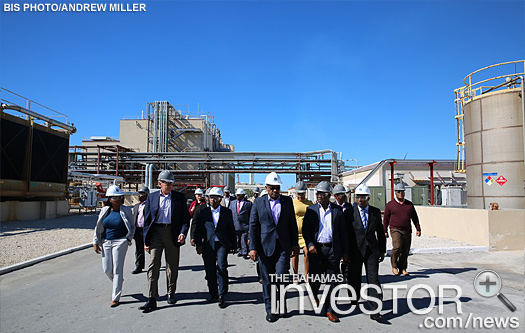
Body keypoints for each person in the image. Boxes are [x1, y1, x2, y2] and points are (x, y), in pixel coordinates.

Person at [249, 172, 299, 323]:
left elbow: (292, 224)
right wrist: (253, 247)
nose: (275, 191)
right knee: (267, 280)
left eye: (277, 188)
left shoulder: (287, 202)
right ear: (266, 187)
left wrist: (295, 244)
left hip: (283, 246)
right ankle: (270, 309)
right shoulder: (258, 203)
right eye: (272, 188)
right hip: (265, 247)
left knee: (281, 277)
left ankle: (282, 305)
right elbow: (253, 225)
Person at [139, 170, 191, 312]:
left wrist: (183, 233)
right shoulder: (152, 197)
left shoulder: (179, 198)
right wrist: (146, 240)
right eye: (166, 183)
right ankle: (151, 298)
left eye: (171, 184)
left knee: (172, 265)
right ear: (159, 183)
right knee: (153, 264)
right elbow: (147, 220)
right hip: (156, 233)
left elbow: (186, 219)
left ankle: (170, 293)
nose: (168, 186)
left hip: (172, 233)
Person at [302, 181, 349, 323]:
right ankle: (315, 295)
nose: (319, 196)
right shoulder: (311, 210)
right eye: (317, 193)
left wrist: (345, 252)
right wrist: (310, 244)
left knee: (333, 281)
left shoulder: (337, 210)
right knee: (315, 279)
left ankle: (330, 310)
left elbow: (343, 232)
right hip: (316, 250)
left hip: (332, 250)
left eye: (322, 194)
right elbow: (306, 230)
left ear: (329, 195)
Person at [347, 184, 386, 321]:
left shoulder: (375, 212)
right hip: (355, 251)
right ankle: (353, 299)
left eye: (363, 197)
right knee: (354, 278)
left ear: (368, 197)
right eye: (358, 197)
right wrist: (345, 253)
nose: (360, 200)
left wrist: (382, 250)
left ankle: (375, 309)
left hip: (371, 251)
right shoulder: (349, 211)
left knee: (373, 279)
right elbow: (346, 234)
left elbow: (380, 233)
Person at [195, 187, 237, 309]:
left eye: (215, 198)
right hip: (208, 244)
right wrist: (198, 244)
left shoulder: (226, 212)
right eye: (210, 197)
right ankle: (213, 293)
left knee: (222, 267)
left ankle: (222, 295)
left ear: (220, 199)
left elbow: (231, 229)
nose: (212, 200)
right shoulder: (203, 212)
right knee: (210, 269)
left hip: (222, 244)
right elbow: (198, 230)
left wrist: (234, 245)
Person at [93, 185, 135, 307]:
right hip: (106, 241)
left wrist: (128, 238)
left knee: (117, 268)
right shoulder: (104, 211)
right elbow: (98, 227)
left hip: (120, 241)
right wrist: (95, 241)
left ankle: (115, 297)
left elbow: (132, 226)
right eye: (114, 198)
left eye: (119, 197)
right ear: (109, 199)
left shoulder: (126, 210)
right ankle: (118, 281)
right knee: (107, 269)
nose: (117, 200)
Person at [383, 183, 421, 276]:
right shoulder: (390, 205)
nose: (401, 193)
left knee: (405, 250)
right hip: (395, 229)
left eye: (402, 192)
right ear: (395, 193)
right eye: (398, 192)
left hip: (407, 229)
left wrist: (418, 228)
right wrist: (384, 230)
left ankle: (403, 268)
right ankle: (394, 266)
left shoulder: (409, 205)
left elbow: (414, 217)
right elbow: (386, 219)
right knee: (397, 246)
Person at [291, 181, 313, 283]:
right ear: (296, 193)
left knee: (307, 253)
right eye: (299, 194)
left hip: (306, 233)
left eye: (302, 193)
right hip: (295, 233)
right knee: (295, 254)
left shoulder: (309, 203)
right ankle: (295, 275)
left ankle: (306, 274)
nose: (301, 196)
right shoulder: (292, 203)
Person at [229, 188, 252, 259]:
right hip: (235, 224)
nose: (237, 196)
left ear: (243, 195)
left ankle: (244, 252)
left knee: (243, 239)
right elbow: (230, 213)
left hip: (245, 225)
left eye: (239, 195)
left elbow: (251, 215)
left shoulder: (248, 204)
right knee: (237, 239)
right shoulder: (232, 203)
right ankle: (239, 250)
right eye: (237, 195)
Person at [131, 186, 149, 274]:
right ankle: (139, 266)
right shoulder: (136, 206)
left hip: (147, 231)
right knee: (139, 249)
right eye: (139, 194)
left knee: (151, 248)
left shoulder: (150, 206)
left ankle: (155, 263)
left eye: (141, 194)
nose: (139, 196)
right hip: (138, 230)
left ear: (146, 195)